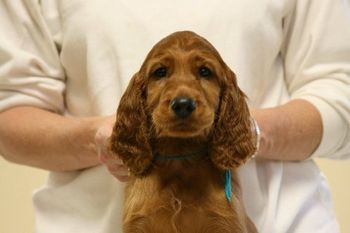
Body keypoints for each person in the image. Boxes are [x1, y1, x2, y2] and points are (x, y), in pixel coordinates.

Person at [0, 0, 349, 232]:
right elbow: (11, 107)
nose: (183, 98)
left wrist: (248, 131)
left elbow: (339, 88)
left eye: (205, 73)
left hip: (281, 221)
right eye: (161, 73)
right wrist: (98, 139)